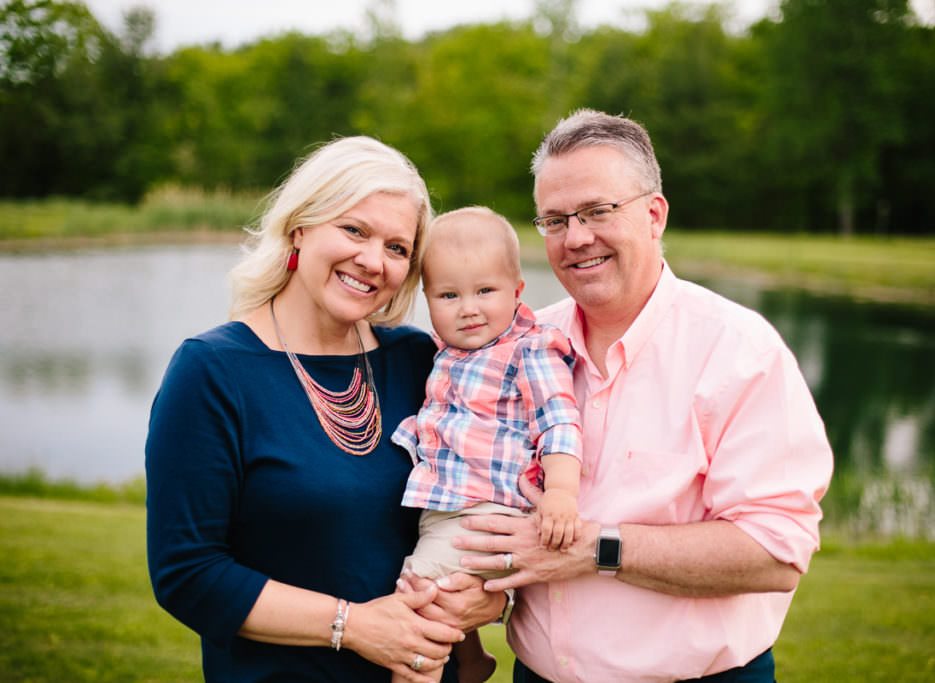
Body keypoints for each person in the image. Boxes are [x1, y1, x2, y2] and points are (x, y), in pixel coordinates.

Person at [455, 109, 834, 682]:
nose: (576, 238)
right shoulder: (522, 346)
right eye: (554, 220)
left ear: (653, 214)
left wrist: (593, 549)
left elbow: (775, 551)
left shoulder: (738, 349)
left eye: (597, 212)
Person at [145, 136, 506, 683]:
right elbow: (188, 572)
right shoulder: (213, 372)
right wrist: (354, 625)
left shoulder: (420, 361)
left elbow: (485, 493)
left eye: (397, 247)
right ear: (301, 227)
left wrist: (488, 598)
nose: (371, 261)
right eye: (354, 230)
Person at [391, 206, 583, 683]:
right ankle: (472, 661)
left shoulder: (528, 349)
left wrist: (560, 493)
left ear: (517, 292)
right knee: (445, 592)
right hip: (449, 511)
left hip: (488, 517)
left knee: (415, 608)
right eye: (448, 294)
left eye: (485, 291)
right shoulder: (449, 351)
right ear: (427, 299)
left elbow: (558, 421)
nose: (468, 308)